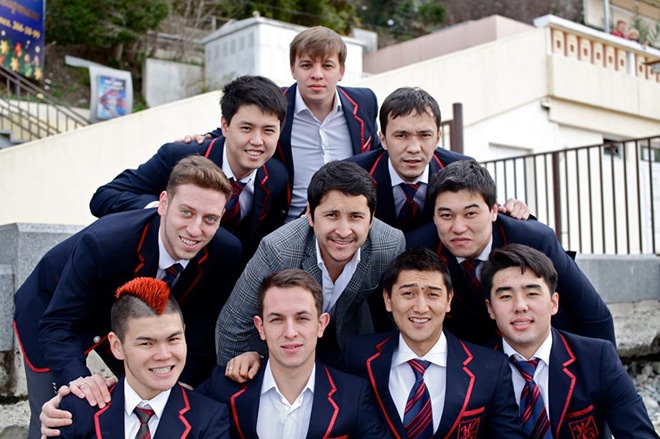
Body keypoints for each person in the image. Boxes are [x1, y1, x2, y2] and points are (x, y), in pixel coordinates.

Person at [14, 155, 241, 438]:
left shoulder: (225, 252)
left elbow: (203, 323)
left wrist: (184, 378)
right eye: (186, 212)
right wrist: (78, 380)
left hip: (132, 324)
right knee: (63, 412)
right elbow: (58, 324)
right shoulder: (104, 242)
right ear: (163, 203)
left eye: (210, 219)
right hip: (53, 312)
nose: (196, 230)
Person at [42, 270, 391, 439]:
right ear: (259, 327)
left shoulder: (208, 416)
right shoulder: (224, 392)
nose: (290, 332)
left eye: (302, 318)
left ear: (322, 324)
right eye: (146, 343)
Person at [215, 160, 405, 367]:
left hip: (348, 343)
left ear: (371, 218)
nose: (343, 231)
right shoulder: (278, 250)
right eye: (331, 215)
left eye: (356, 216)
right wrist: (243, 377)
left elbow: (400, 316)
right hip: (281, 351)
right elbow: (233, 327)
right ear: (310, 215)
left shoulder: (389, 245)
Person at [406, 160, 615, 346]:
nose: (458, 227)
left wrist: (601, 372)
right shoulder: (418, 247)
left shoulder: (534, 239)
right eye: (446, 215)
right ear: (434, 217)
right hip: (471, 357)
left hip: (546, 349)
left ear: (494, 211)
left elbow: (594, 315)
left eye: (470, 214)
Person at [185, 26, 380, 222]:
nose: (317, 74)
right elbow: (238, 125)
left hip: (350, 222)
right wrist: (201, 138)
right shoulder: (275, 103)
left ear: (341, 71)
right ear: (293, 69)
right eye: (306, 65)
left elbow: (375, 152)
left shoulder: (364, 102)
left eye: (327, 66)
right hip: (289, 223)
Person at [89, 75, 290, 262]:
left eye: (268, 130)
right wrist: (163, 210)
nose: (257, 140)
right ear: (225, 126)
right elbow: (104, 197)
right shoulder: (179, 156)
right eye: (246, 128)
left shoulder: (276, 176)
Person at [342, 247, 526, 438]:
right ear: (388, 299)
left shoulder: (491, 368)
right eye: (408, 294)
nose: (421, 308)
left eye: (432, 294)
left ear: (448, 300)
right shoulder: (357, 355)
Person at [481, 244, 659, 439]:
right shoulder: (477, 369)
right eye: (506, 296)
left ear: (554, 303)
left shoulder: (596, 358)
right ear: (490, 308)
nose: (520, 306)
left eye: (532, 294)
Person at [56, 278, 230, 438]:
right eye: (147, 343)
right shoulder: (77, 411)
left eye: (173, 339)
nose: (164, 355)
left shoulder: (209, 419)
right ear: (116, 346)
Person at [346, 86, 529, 233]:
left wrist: (514, 210)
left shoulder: (460, 168)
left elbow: (485, 213)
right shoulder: (354, 173)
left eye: (424, 135)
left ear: (438, 138)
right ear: (383, 139)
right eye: (401, 135)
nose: (414, 148)